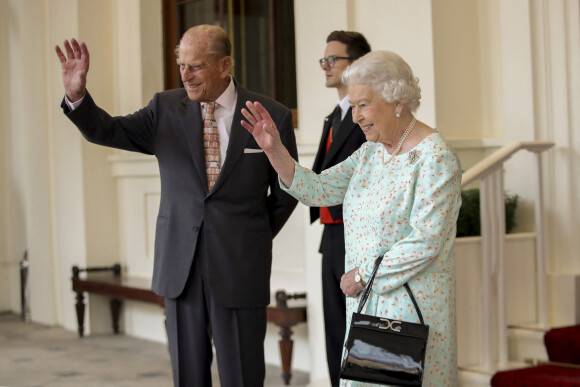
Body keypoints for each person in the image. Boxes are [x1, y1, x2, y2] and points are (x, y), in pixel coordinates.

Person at [55, 24, 298, 387]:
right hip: (180, 266)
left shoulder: (271, 114)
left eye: (196, 66)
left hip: (239, 263)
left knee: (243, 376)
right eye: (181, 64)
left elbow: (287, 188)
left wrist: (253, 233)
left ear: (225, 64)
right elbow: (108, 130)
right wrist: (78, 97)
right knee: (188, 375)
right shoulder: (164, 108)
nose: (185, 74)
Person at [241, 50, 462, 386]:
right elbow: (318, 189)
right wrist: (275, 150)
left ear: (396, 99)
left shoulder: (435, 157)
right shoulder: (371, 152)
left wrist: (362, 275)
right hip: (367, 306)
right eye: (353, 105)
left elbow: (426, 241)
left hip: (409, 312)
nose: (356, 116)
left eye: (363, 104)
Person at [313, 30, 370, 387]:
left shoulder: (368, 116)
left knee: (359, 329)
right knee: (334, 328)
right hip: (331, 236)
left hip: (358, 234)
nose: (326, 66)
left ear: (357, 64)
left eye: (333, 59)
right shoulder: (334, 115)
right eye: (324, 60)